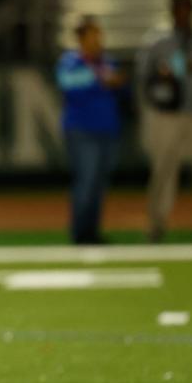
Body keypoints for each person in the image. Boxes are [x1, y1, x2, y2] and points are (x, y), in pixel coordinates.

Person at [138, 0, 192, 241]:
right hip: (168, 115)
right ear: (172, 11)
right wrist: (161, 75)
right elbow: (144, 75)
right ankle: (156, 225)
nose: (183, 14)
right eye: (179, 9)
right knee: (163, 170)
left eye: (187, 9)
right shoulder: (157, 42)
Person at [56, 16, 128, 244]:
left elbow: (121, 90)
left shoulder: (107, 61)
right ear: (81, 38)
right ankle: (80, 233)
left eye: (98, 35)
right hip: (82, 130)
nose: (97, 40)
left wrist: (116, 83)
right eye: (92, 35)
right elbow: (68, 84)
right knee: (86, 183)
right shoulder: (70, 61)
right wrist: (101, 79)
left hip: (107, 129)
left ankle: (92, 231)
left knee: (99, 185)